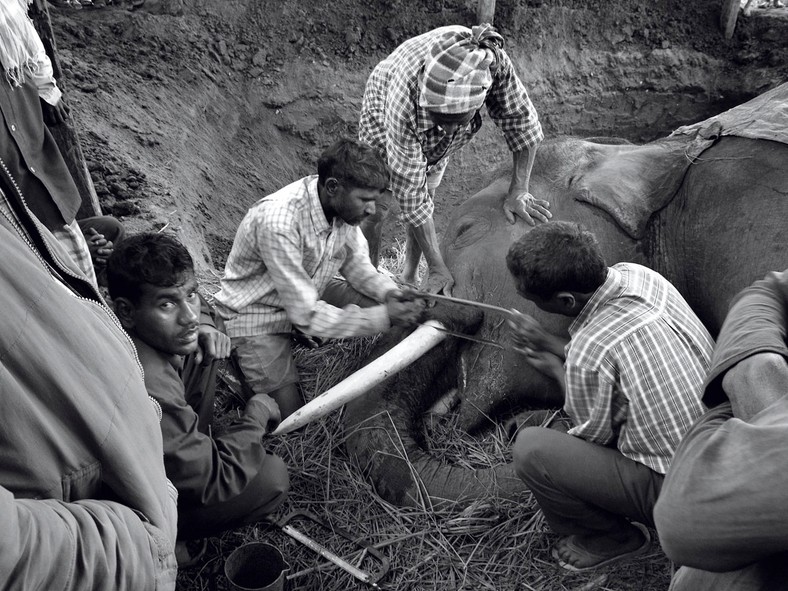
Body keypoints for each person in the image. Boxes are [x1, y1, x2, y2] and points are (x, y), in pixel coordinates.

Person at [0, 71, 177, 591]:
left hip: (125, 517)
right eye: (171, 303)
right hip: (116, 552)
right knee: (265, 482)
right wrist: (138, 548)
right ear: (126, 310)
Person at [505, 222, 713, 572]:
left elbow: (593, 437)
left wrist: (559, 370)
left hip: (682, 489)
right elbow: (615, 350)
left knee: (531, 451)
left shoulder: (590, 351)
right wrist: (554, 346)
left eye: (532, 299)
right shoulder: (637, 275)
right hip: (723, 445)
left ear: (566, 301)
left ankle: (613, 539)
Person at [213, 138, 425, 419]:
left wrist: (388, 294)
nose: (372, 209)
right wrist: (383, 317)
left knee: (374, 299)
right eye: (365, 199)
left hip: (305, 293)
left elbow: (358, 266)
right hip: (257, 317)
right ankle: (233, 368)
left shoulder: (339, 208)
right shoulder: (279, 222)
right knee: (291, 417)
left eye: (374, 199)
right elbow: (307, 314)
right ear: (333, 187)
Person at [107, 232, 290, 548]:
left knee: (204, 341)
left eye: (189, 295)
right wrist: (256, 416)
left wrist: (205, 327)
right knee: (272, 477)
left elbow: (200, 308)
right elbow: (214, 479)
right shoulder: (149, 385)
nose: (189, 315)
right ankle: (165, 537)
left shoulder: (134, 331)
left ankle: (194, 445)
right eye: (167, 303)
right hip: (130, 503)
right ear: (126, 311)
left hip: (157, 446)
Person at [358, 24, 549, 295]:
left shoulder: (492, 65)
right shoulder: (404, 102)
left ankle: (410, 275)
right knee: (377, 204)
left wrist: (519, 189)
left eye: (455, 122)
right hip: (384, 96)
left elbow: (523, 123)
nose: (445, 132)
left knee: (429, 190)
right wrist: (439, 267)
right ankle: (369, 281)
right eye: (442, 121)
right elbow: (411, 193)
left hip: (434, 108)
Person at [654, 269, 788, 591]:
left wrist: (723, 411)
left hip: (668, 481)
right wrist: (754, 361)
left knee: (532, 450)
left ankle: (604, 541)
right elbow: (770, 287)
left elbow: (681, 519)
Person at [0, 0, 99, 287]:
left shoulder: (11, 26)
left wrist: (46, 89)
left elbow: (28, 42)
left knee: (75, 265)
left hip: (33, 167)